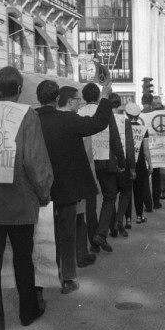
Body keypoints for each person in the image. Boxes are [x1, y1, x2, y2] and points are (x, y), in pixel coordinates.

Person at [0, 67, 53, 330]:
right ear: (18, 89)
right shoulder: (26, 115)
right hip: (19, 202)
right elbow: (34, 160)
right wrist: (44, 191)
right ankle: (27, 312)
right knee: (23, 258)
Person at [36, 80, 113, 294]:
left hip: (40, 186)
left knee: (43, 235)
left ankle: (45, 276)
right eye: (77, 99)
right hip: (67, 188)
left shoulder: (31, 120)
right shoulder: (68, 119)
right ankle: (68, 278)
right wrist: (104, 99)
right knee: (67, 233)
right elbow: (98, 123)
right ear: (58, 99)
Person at [79, 83, 129, 247]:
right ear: (98, 96)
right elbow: (115, 139)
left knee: (91, 203)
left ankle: (94, 239)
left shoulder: (78, 112)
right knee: (110, 196)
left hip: (86, 160)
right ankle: (101, 234)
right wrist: (122, 162)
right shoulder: (105, 111)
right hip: (105, 159)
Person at [57, 86, 96, 267]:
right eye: (78, 99)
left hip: (55, 181)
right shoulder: (78, 122)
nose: (81, 102)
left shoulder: (48, 120)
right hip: (74, 180)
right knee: (79, 220)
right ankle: (80, 255)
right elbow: (87, 153)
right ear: (70, 101)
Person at [107, 93, 136, 233]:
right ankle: (119, 220)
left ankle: (112, 225)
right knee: (125, 191)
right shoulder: (125, 121)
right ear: (118, 105)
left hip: (106, 162)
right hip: (122, 162)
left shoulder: (103, 119)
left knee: (110, 196)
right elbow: (129, 146)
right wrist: (132, 167)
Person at [124, 103, 153, 224]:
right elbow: (146, 149)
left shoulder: (124, 128)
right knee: (139, 190)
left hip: (127, 163)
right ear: (139, 115)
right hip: (140, 163)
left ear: (126, 114)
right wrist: (150, 164)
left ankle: (128, 220)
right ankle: (139, 216)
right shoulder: (143, 129)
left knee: (126, 192)